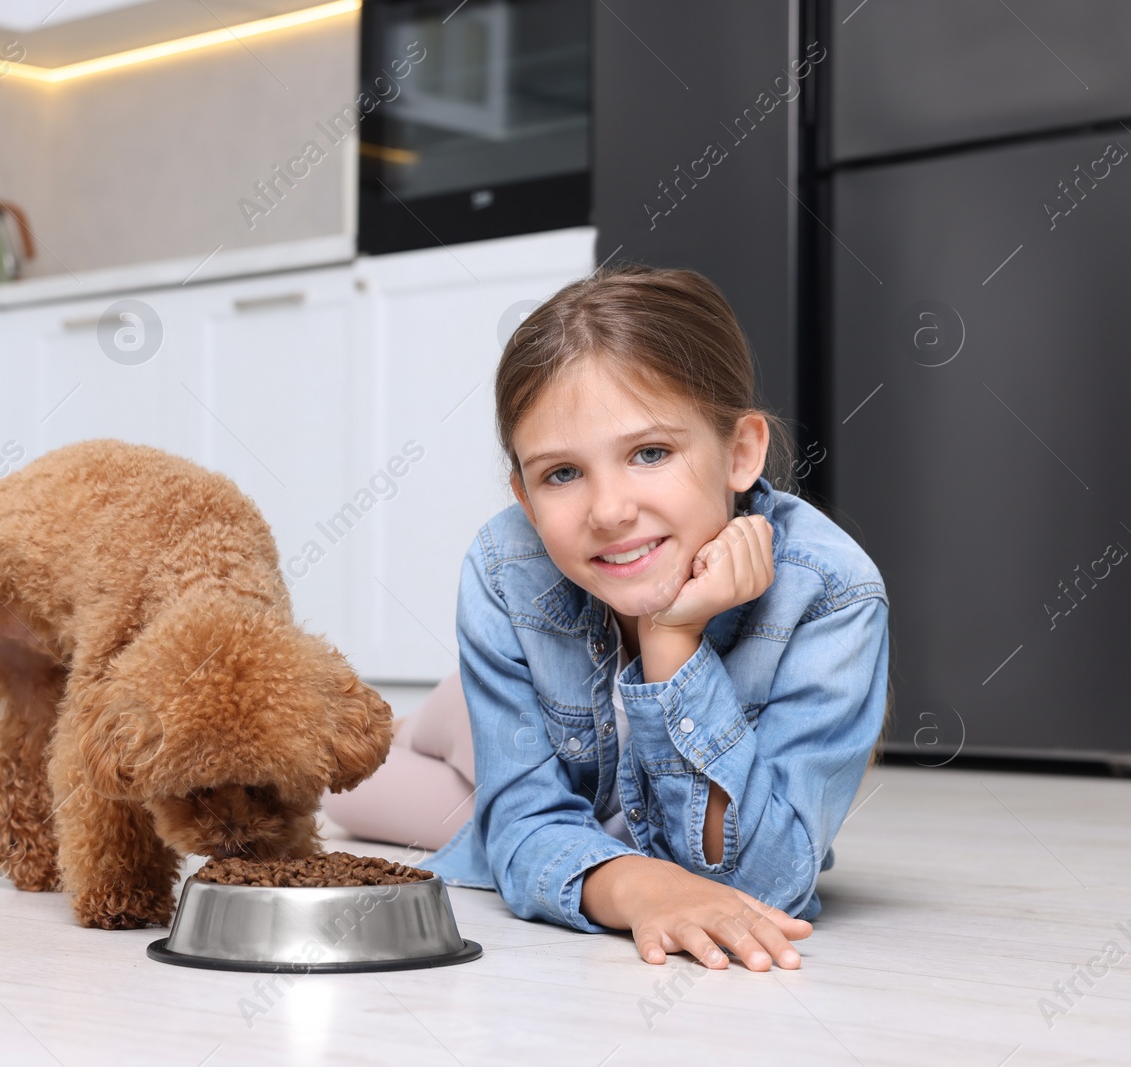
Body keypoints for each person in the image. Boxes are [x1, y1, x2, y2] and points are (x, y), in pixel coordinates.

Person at [321, 263, 892, 971]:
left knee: (369, 796)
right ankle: (438, 719)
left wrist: (673, 638)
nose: (610, 511)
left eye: (650, 453)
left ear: (741, 452)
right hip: (534, 735)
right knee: (346, 786)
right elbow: (529, 822)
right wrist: (636, 884)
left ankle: (436, 724)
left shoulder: (833, 595)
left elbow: (761, 882)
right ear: (525, 497)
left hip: (584, 779)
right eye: (562, 473)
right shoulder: (507, 565)